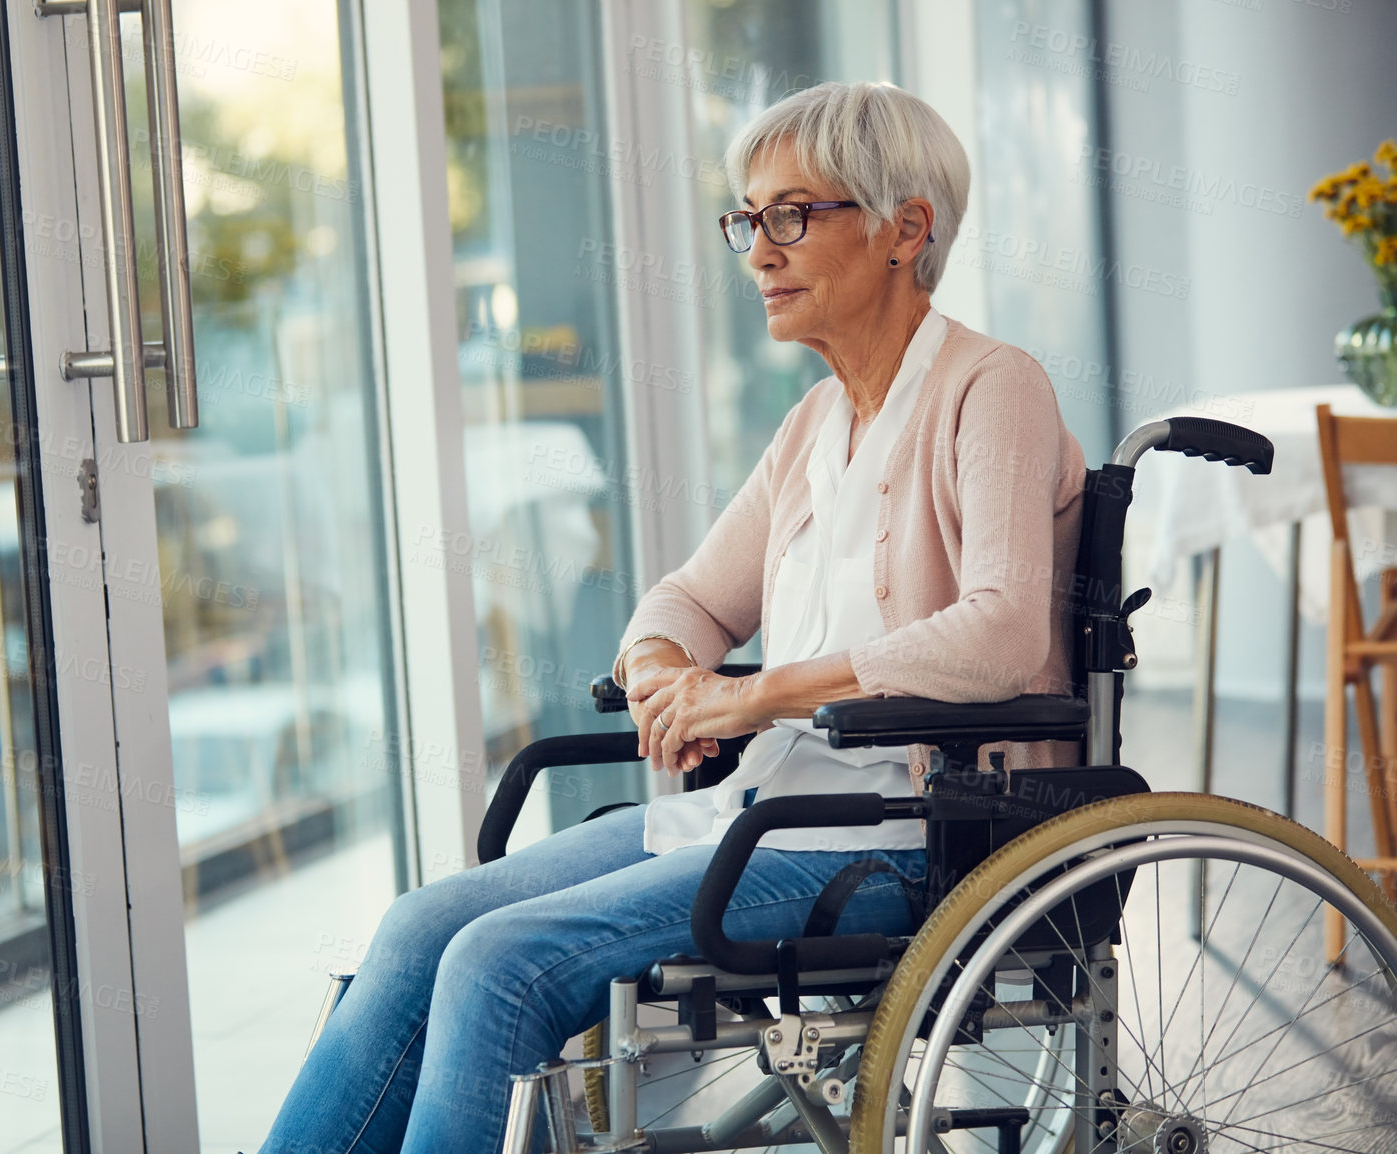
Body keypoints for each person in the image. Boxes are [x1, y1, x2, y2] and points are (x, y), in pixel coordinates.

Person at [258, 79, 1085, 1154]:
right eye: (748, 219)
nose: (757, 249)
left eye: (791, 214)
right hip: (771, 810)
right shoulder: (814, 423)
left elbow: (1004, 631)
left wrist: (749, 694)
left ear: (904, 229)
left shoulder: (992, 387)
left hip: (909, 833)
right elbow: (690, 598)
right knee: (421, 925)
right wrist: (664, 671)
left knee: (495, 961)